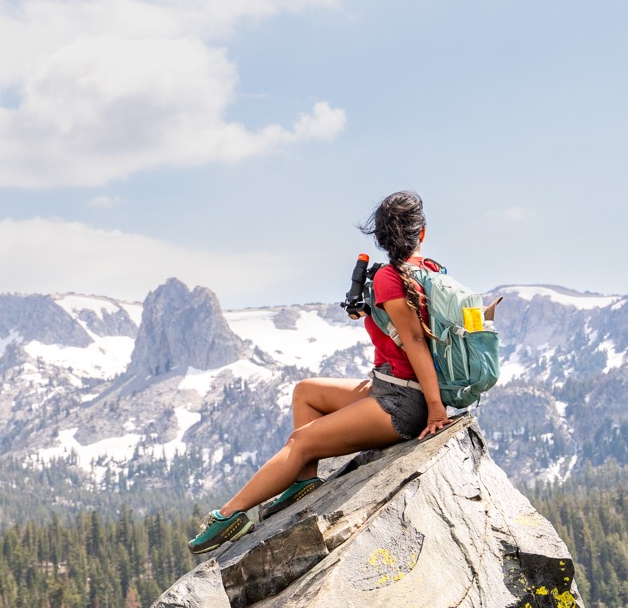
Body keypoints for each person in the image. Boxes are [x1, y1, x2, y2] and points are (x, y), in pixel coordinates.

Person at [188, 190, 452, 554]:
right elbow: (414, 334)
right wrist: (371, 312)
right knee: (305, 392)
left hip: (404, 402)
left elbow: (415, 342)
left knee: (301, 440)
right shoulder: (432, 271)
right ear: (421, 233)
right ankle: (304, 481)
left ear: (379, 237)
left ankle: (230, 514)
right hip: (393, 387)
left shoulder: (392, 278)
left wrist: (435, 409)